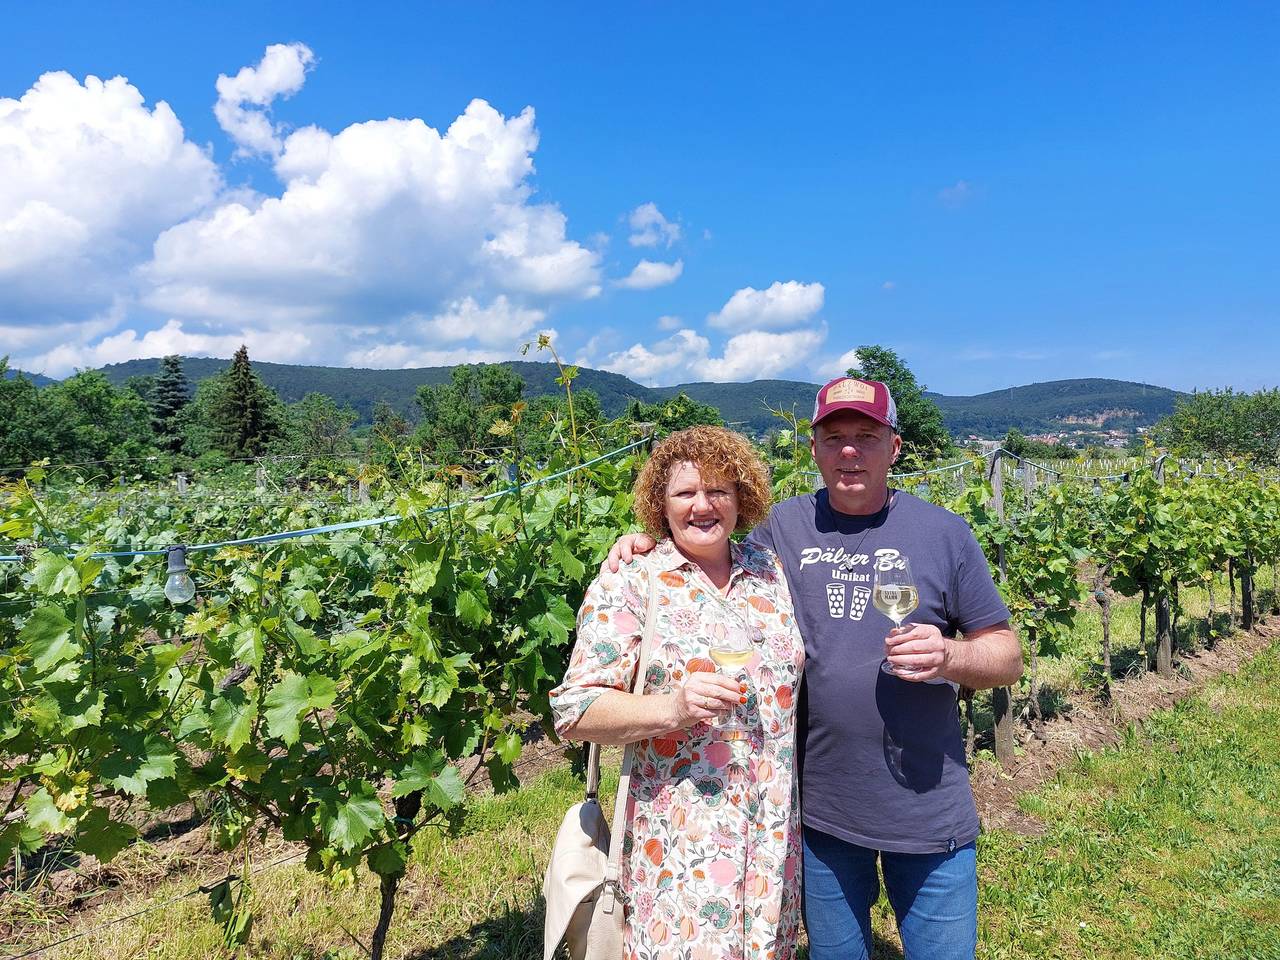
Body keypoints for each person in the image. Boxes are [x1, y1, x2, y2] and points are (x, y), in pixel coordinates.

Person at [606, 378, 1022, 960]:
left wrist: (950, 656)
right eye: (834, 437)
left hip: (928, 806)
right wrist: (644, 544)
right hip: (821, 813)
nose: (849, 451)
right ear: (815, 449)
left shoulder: (943, 534)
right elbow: (706, 544)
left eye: (866, 437)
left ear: (894, 447)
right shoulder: (780, 531)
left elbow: (1006, 656)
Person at [550, 426, 805, 960]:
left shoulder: (769, 570)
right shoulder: (633, 580)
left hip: (771, 832)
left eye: (719, 491)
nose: (703, 505)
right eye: (685, 493)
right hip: (678, 841)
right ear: (659, 505)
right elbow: (574, 711)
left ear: (742, 498)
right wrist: (674, 707)